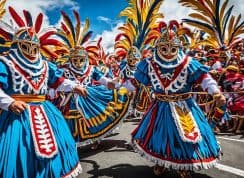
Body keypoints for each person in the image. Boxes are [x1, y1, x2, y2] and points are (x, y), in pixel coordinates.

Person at [131, 21, 225, 177]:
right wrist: (118, 87)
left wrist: (215, 91)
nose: (168, 52)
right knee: (158, 137)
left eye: (172, 48)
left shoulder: (188, 63)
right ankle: (160, 162)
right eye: (164, 48)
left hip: (185, 107)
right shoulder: (149, 64)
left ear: (179, 48)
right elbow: (135, 82)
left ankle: (184, 164)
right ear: (157, 48)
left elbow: (204, 77)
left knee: (186, 138)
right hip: (160, 107)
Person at [0, 7, 85, 177]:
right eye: (26, 46)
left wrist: (73, 86)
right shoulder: (5, 61)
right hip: (17, 114)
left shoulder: (46, 64)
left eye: (33, 46)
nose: (31, 50)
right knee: (20, 153)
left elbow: (57, 81)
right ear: (17, 45)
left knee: (58, 148)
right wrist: (9, 102)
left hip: (45, 111)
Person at [50, 11, 130, 148]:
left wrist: (114, 83)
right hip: (70, 103)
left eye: (81, 59)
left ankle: (95, 138)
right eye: (75, 59)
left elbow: (105, 81)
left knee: (92, 120)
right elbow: (56, 84)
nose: (78, 62)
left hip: (90, 98)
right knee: (71, 124)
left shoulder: (92, 69)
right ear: (70, 59)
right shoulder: (63, 70)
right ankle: (71, 146)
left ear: (86, 59)